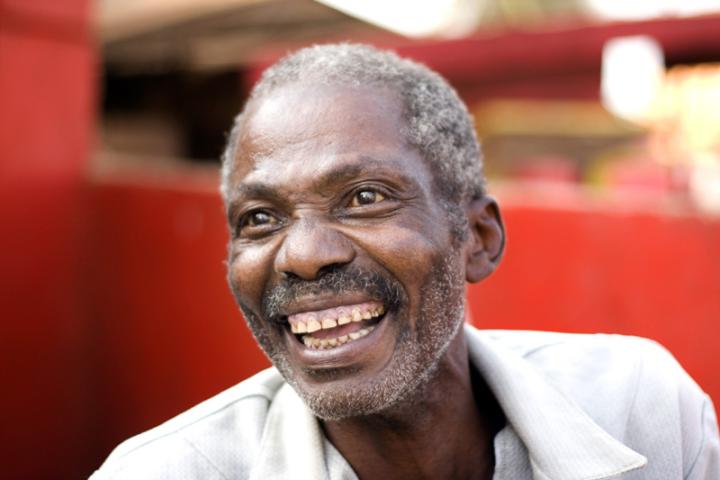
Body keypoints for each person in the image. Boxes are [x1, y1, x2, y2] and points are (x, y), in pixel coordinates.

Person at [91, 44, 719, 479]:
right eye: (260, 218)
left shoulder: (642, 412)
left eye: (365, 198)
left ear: (477, 237)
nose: (305, 256)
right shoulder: (165, 472)